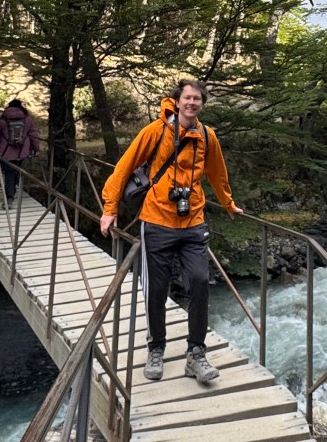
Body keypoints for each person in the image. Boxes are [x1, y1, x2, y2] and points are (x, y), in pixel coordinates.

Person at [100, 79, 243, 384]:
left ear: (202, 104)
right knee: (156, 289)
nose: (191, 103)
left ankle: (196, 354)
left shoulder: (207, 136)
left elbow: (217, 173)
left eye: (197, 99)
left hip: (193, 222)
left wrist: (228, 204)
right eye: (187, 98)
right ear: (177, 101)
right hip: (157, 221)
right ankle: (156, 348)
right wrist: (110, 208)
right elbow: (124, 167)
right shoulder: (155, 131)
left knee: (200, 281)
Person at [0, 99, 39, 205]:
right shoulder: (27, 119)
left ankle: (9, 197)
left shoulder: (3, 119)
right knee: (16, 170)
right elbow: (33, 135)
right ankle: (13, 189)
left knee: (9, 172)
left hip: (6, 151)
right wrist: (36, 149)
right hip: (22, 151)